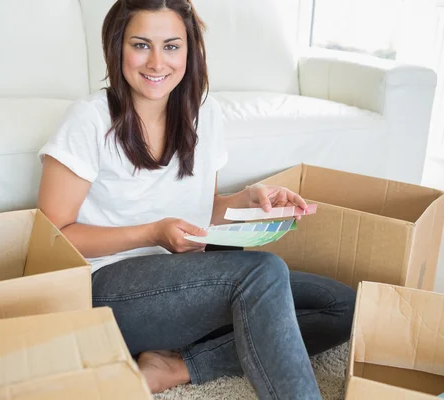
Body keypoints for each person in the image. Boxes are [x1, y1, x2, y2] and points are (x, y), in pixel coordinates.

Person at [37, 0, 355, 398]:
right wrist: (151, 233)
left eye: (171, 46)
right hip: (105, 291)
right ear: (117, 48)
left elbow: (202, 208)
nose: (156, 62)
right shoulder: (88, 120)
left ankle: (177, 365)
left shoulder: (204, 113)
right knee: (261, 272)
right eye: (141, 45)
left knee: (343, 305)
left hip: (185, 280)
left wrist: (248, 199)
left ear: (189, 50)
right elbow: (52, 238)